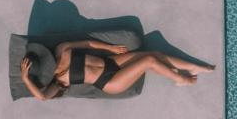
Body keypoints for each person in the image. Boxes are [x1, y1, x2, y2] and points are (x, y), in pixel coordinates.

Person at [19, 39, 213, 100]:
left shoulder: (62, 49)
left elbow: (86, 42)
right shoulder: (58, 81)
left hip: (112, 62)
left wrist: (108, 48)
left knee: (155, 54)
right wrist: (26, 79)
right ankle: (182, 80)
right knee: (149, 61)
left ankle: (194, 67)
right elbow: (42, 97)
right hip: (110, 83)